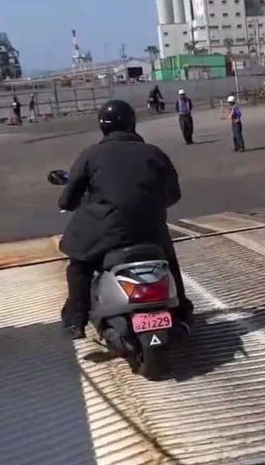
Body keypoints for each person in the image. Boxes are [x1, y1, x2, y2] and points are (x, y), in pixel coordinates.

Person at [57, 99, 194, 339]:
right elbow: (174, 194)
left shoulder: (91, 155)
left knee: (79, 264)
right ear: (132, 123)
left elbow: (67, 200)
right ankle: (181, 313)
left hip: (105, 233)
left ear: (103, 126)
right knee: (169, 263)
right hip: (150, 231)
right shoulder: (154, 153)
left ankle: (75, 320)